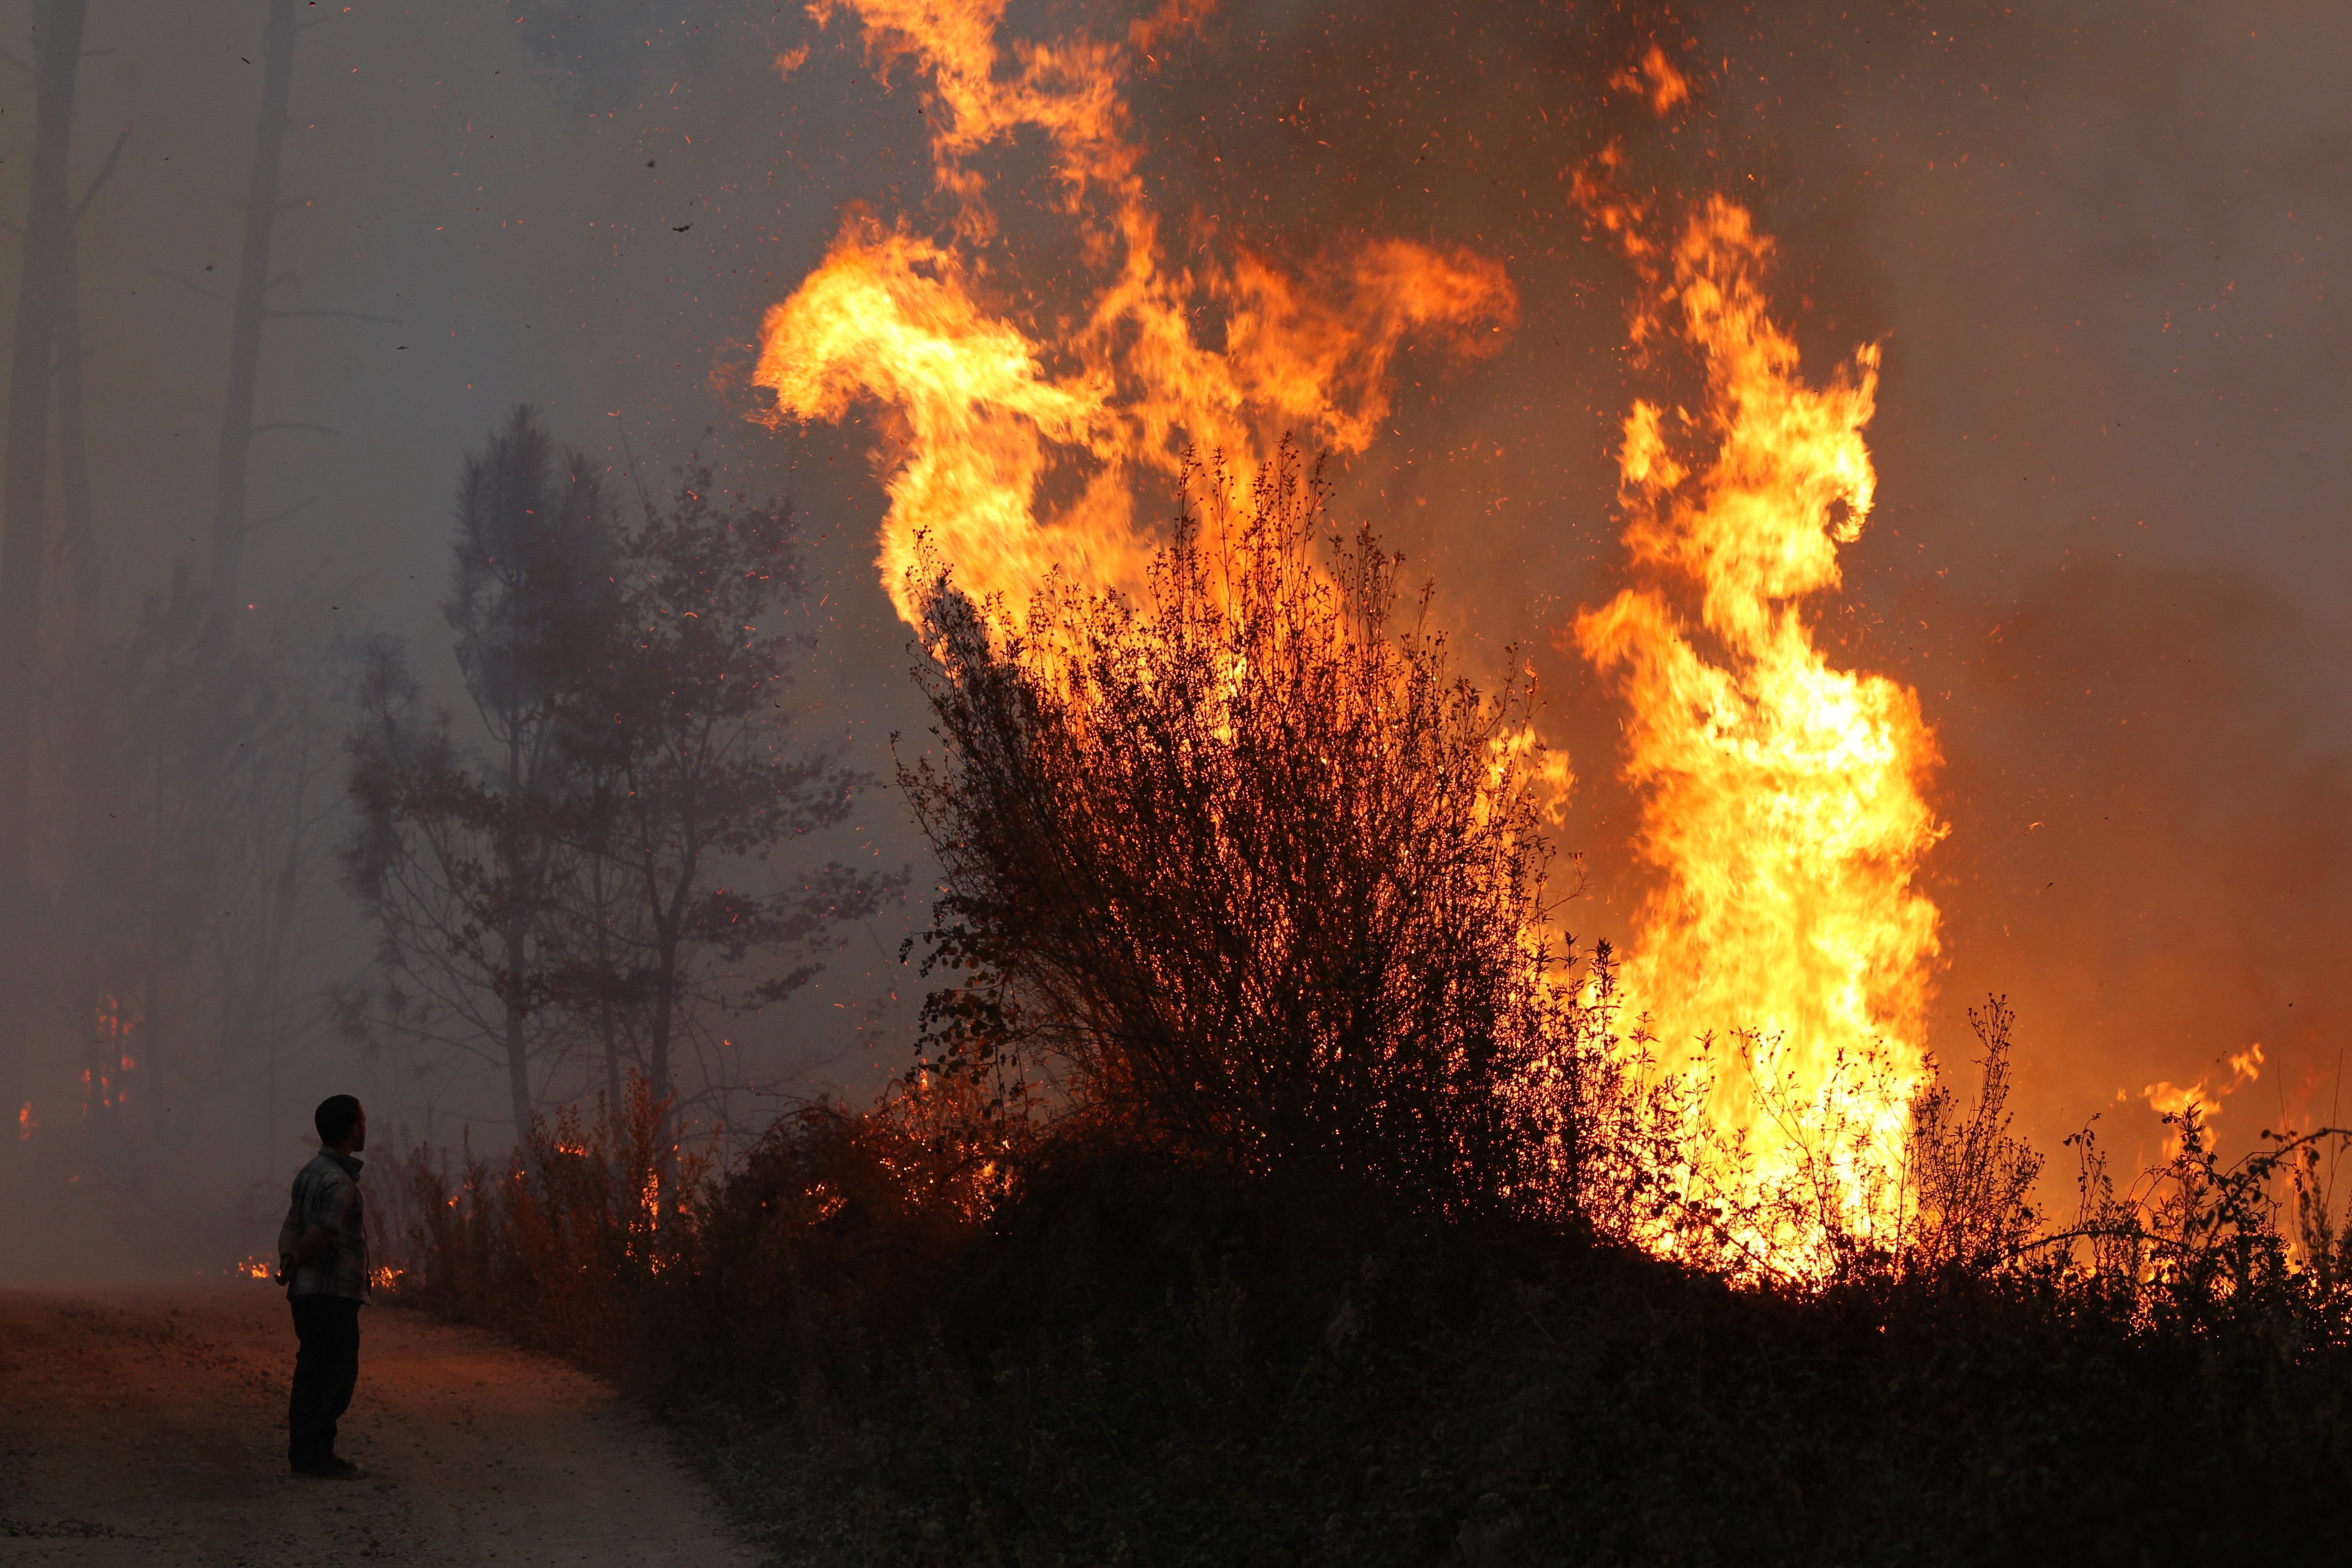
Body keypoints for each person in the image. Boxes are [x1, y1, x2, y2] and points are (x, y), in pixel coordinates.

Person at [275, 1094, 370, 1479]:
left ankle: (315, 1452)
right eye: (362, 1121)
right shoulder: (338, 1180)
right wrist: (297, 1258)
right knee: (332, 1377)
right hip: (332, 1294)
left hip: (310, 1294)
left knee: (321, 1372)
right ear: (353, 1129)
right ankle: (311, 1455)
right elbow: (320, 1234)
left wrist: (287, 1259)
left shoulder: (310, 1172)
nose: (365, 1127)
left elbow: (290, 1226)